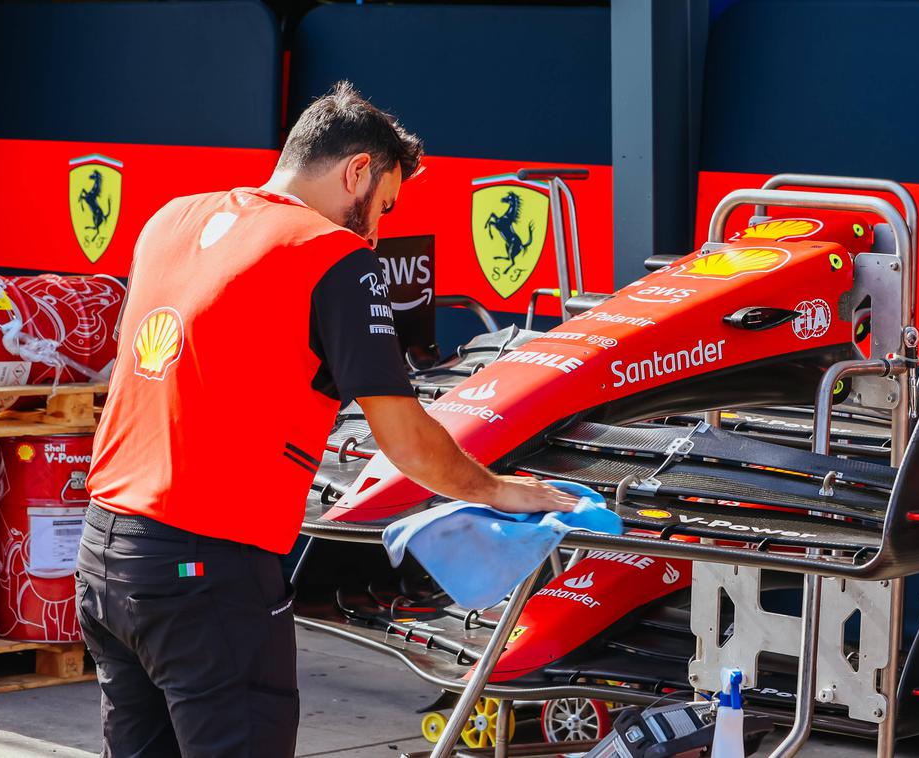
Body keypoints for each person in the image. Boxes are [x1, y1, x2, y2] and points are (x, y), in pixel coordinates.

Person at [76, 81, 578, 758]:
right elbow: (404, 438)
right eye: (384, 207)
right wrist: (501, 490)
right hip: (208, 571)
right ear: (357, 171)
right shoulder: (333, 256)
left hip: (107, 557)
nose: (378, 230)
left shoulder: (169, 221)